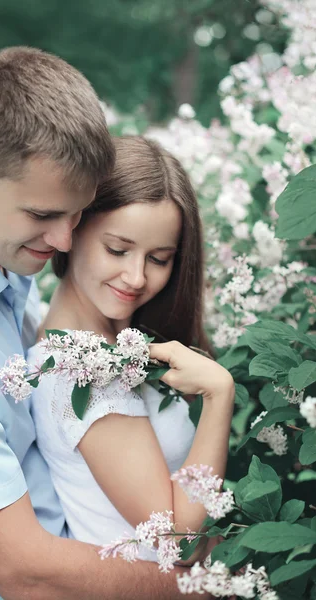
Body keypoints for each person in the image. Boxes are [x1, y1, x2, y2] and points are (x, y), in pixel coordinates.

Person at [0, 46, 217, 600]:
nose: (63, 241)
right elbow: (24, 571)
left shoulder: (6, 265)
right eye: (42, 215)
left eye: (76, 214)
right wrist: (200, 588)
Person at [28, 136, 235, 555]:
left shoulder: (114, 345)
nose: (137, 277)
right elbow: (177, 543)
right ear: (72, 227)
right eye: (118, 250)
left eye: (159, 259)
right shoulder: (81, 373)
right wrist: (219, 394)